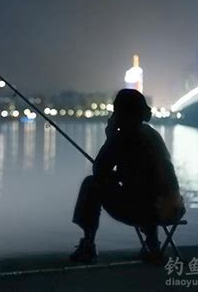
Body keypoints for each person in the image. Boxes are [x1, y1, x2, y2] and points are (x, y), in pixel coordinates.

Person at [70, 89, 185, 263]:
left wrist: (110, 137)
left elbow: (99, 171)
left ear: (121, 113)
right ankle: (153, 244)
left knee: (91, 184)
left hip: (147, 211)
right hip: (174, 209)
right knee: (146, 190)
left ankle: (88, 244)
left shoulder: (123, 136)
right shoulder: (151, 133)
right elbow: (145, 174)